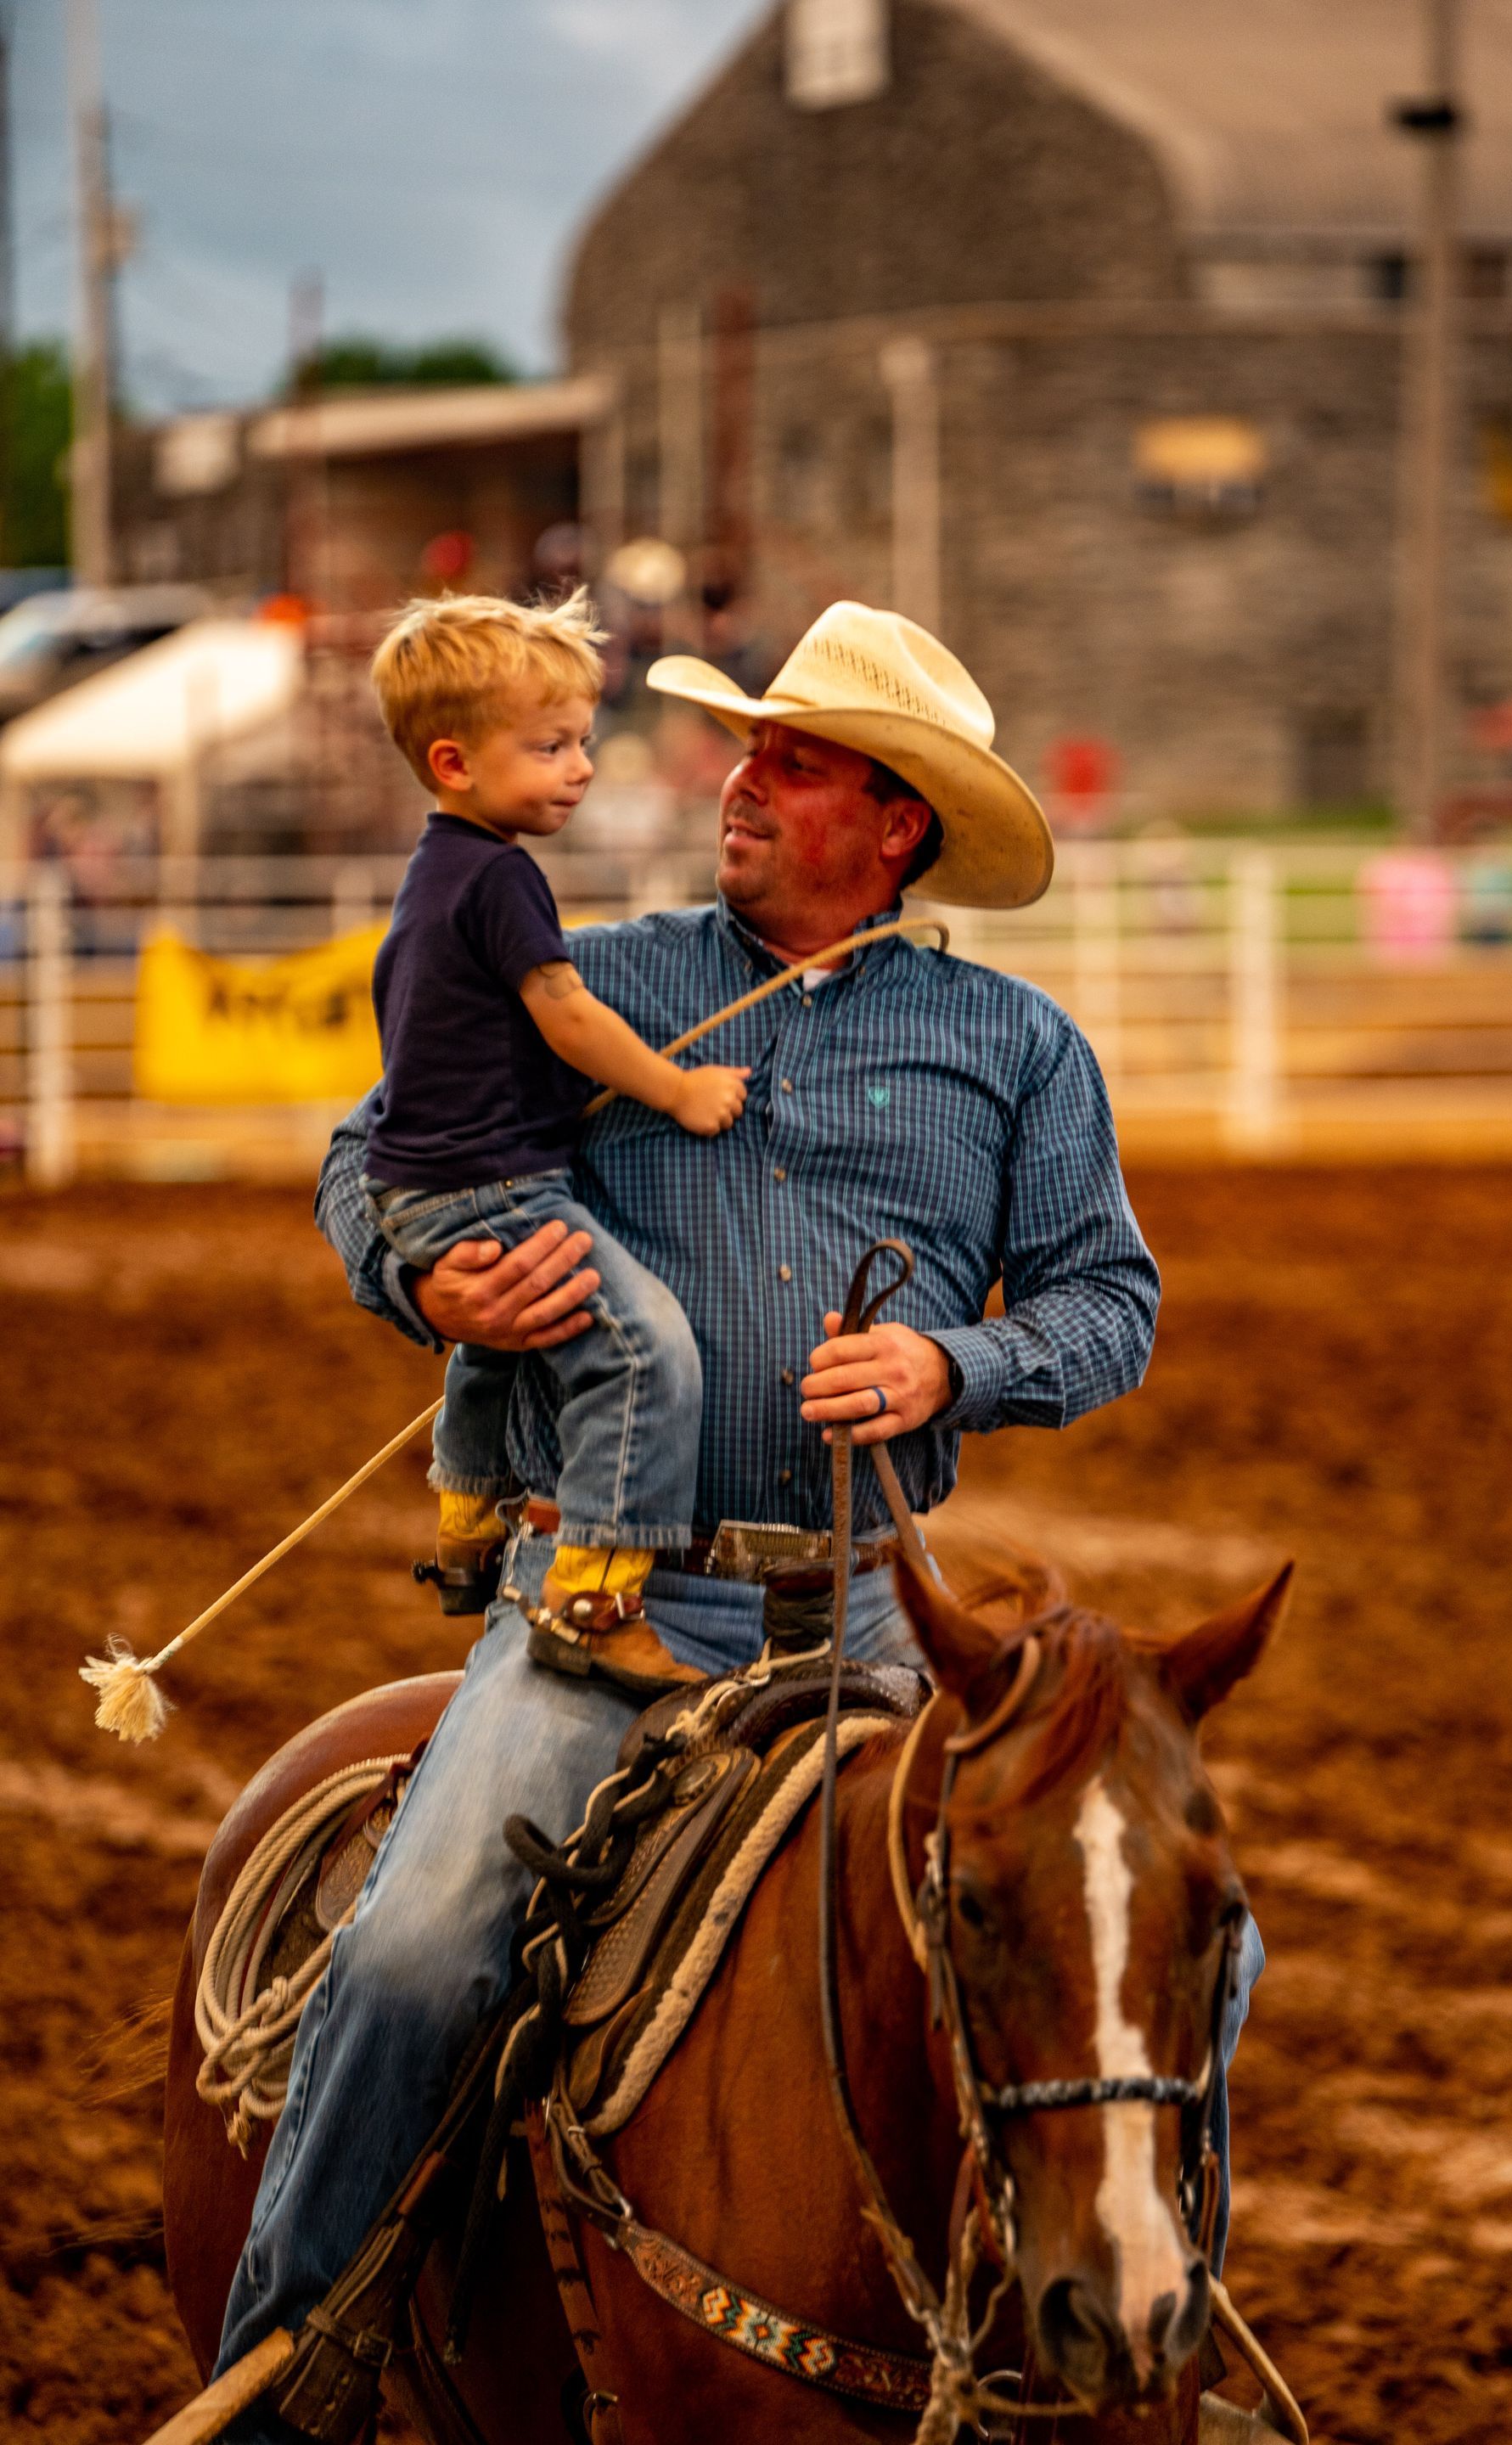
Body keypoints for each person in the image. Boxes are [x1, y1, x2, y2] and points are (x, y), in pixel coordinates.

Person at [217, 602, 1253, 2441]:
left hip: (875, 1614)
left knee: (1195, 1943)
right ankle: (291, 2367)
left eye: (789, 762)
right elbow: (370, 1154)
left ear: (897, 823)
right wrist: (422, 1279)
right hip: (612, 1605)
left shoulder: (1015, 1048)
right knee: (406, 1946)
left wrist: (953, 1367)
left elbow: (1112, 1301)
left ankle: (1157, 2336)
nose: (737, 783)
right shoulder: (586, 973)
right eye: (744, 750)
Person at [362, 593, 749, 1685]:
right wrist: (676, 1091)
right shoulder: (500, 879)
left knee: (503, 1332)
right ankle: (595, 1595)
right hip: (493, 1177)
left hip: (425, 1179)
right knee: (644, 1351)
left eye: (581, 741)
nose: (581, 767)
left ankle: (467, 1517)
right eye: (550, 747)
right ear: (454, 760)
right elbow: (566, 1014)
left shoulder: (437, 876)